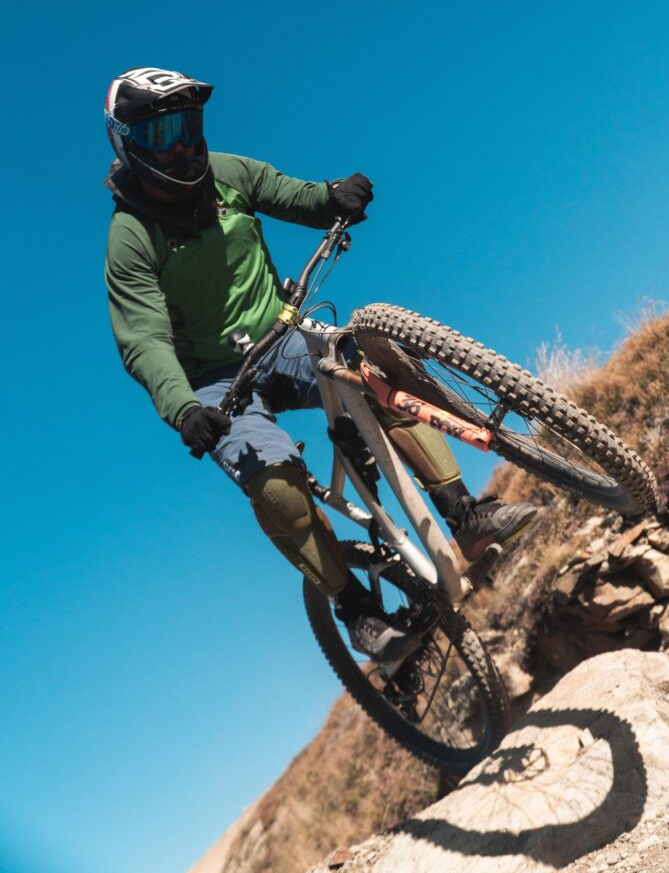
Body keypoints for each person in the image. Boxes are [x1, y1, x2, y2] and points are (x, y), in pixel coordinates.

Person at [103, 67, 536, 664]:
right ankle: (356, 610)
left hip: (282, 334)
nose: (180, 145)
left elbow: (294, 195)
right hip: (215, 381)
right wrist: (183, 410)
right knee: (275, 489)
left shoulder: (228, 173)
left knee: (379, 378)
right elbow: (144, 340)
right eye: (161, 134)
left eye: (188, 126)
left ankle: (468, 515)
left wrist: (334, 196)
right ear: (127, 142)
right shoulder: (130, 236)